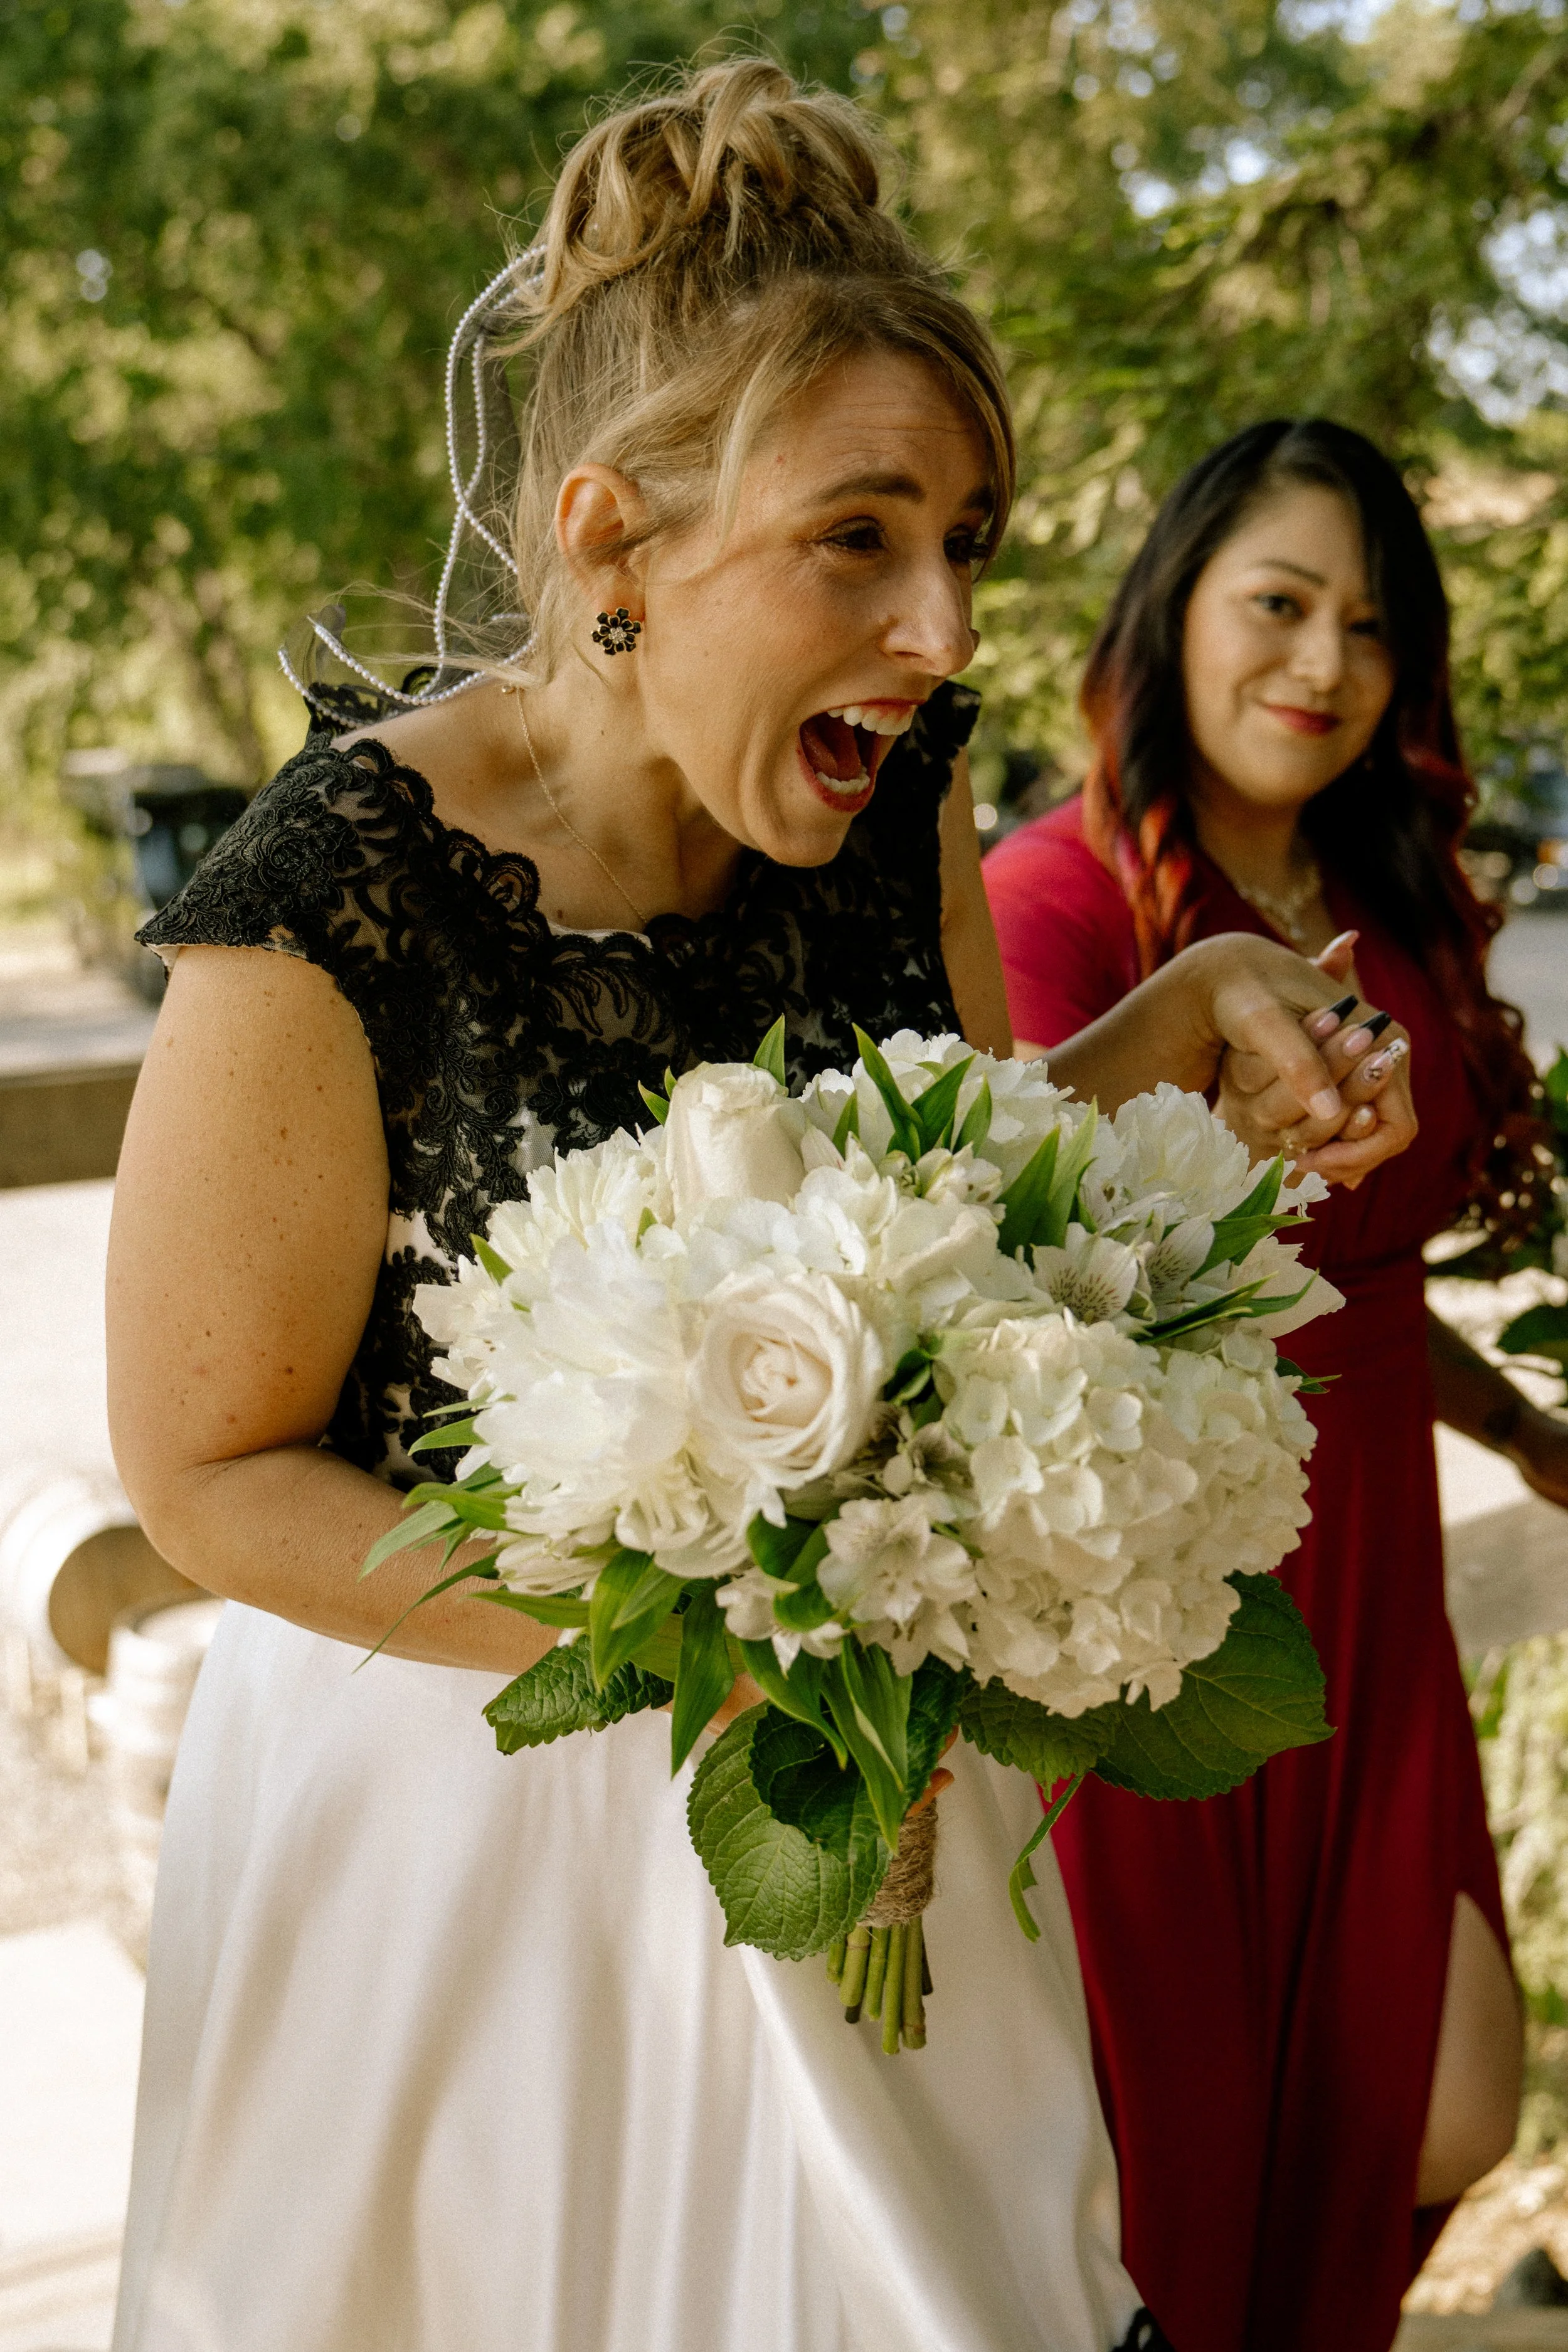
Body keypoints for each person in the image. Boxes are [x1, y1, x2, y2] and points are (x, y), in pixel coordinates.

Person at [105, 81, 1413, 2352]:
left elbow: (942, 1195)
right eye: (860, 538)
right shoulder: (332, 890)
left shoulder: (887, 799)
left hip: (861, 1831)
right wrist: (678, 1622)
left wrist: (1191, 1014)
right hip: (462, 1867)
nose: (937, 626)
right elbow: (203, 1473)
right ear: (615, 542)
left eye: (972, 542)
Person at [983, 417, 1568, 2352]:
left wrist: (1514, 1424)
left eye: (1369, 627)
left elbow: (1365, 1274)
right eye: (1279, 603)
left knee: (1436, 2104)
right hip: (1165, 1601)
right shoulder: (1055, 903)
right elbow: (1008, 1282)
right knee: (1179, 2158)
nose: (1321, 663)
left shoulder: (1381, 891)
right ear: (1173, 613)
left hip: (1372, 1584)